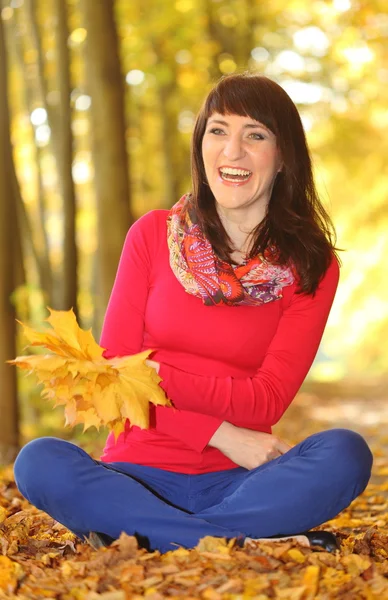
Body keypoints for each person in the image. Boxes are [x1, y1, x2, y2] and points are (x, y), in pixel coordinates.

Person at [14, 72, 372, 555]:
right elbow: (114, 382)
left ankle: (146, 535)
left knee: (346, 453)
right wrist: (221, 433)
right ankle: (234, 541)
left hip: (242, 484)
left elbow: (265, 402)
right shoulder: (150, 236)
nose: (233, 151)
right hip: (132, 476)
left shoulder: (311, 266)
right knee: (39, 461)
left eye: (256, 135)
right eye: (218, 130)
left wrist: (155, 375)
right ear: (201, 143)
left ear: (284, 155)